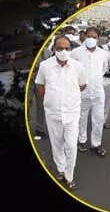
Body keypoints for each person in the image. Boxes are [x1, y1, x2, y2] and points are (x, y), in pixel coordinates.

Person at [34, 35, 88, 190]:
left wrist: (70, 94)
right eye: (60, 48)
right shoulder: (45, 65)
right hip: (53, 113)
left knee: (71, 145)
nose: (63, 51)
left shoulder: (78, 66)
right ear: (54, 49)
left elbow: (82, 85)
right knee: (57, 143)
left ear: (71, 49)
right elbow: (40, 85)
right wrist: (51, 99)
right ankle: (60, 169)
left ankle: (69, 176)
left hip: (72, 112)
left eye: (67, 48)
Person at [70, 27, 110, 157]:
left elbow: (103, 69)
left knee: (98, 119)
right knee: (81, 118)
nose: (91, 39)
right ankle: (82, 140)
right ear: (84, 36)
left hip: (98, 92)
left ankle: (96, 144)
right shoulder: (76, 53)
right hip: (82, 92)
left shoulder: (103, 54)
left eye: (94, 37)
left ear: (98, 39)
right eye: (89, 36)